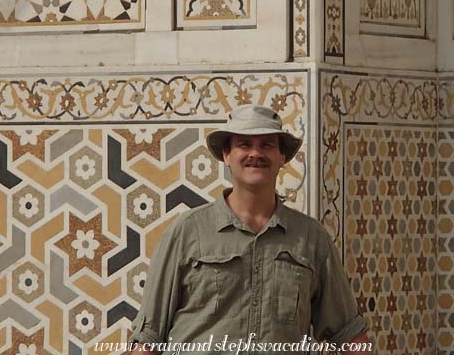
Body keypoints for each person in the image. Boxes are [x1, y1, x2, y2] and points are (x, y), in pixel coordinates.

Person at [129, 105, 372, 354]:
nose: (255, 153)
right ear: (226, 155)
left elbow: (350, 337)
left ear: (282, 157)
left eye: (267, 145)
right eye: (244, 144)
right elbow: (148, 339)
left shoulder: (310, 238)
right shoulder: (187, 232)